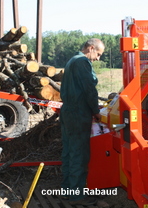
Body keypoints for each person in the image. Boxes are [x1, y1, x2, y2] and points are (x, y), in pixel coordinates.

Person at [60, 38, 104, 206]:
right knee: (79, 153)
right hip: (79, 113)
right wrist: (96, 111)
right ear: (91, 48)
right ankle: (77, 196)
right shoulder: (82, 62)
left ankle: (66, 190)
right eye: (98, 54)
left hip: (67, 111)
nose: (97, 58)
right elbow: (89, 89)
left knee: (69, 151)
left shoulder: (72, 61)